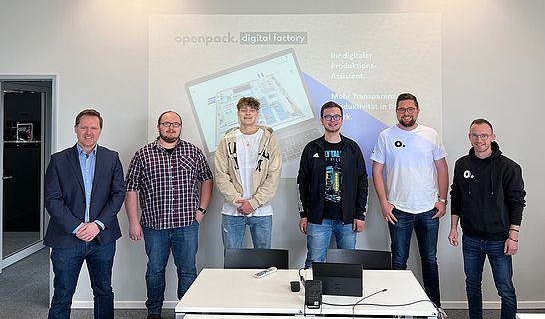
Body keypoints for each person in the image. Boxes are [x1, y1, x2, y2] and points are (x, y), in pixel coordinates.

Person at [125, 111, 213, 319]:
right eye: (166, 124)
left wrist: (201, 211)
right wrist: (133, 222)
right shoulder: (143, 155)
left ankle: (187, 312)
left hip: (187, 224)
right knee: (155, 270)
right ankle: (154, 312)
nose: (171, 127)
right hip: (154, 225)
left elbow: (207, 179)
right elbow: (131, 188)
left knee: (187, 271)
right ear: (158, 127)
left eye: (175, 124)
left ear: (180, 127)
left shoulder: (193, 152)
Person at [44, 109, 126, 319]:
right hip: (66, 238)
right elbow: (52, 199)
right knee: (62, 294)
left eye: (93, 128)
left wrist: (97, 224)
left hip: (102, 238)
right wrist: (77, 227)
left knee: (104, 291)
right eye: (84, 127)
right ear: (75, 129)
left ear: (100, 130)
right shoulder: (58, 160)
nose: (88, 132)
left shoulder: (112, 158)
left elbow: (118, 194)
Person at [371, 93, 448, 309]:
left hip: (428, 209)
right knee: (398, 261)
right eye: (402, 109)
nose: (406, 113)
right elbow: (377, 171)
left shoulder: (431, 134)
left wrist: (442, 200)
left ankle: (434, 308)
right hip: (398, 210)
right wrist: (384, 203)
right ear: (396, 112)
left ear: (417, 110)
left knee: (430, 260)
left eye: (410, 109)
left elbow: (442, 168)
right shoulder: (386, 136)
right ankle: (399, 308)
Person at [449, 119, 526, 319]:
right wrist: (453, 228)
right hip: (471, 238)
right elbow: (456, 197)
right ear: (469, 137)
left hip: (499, 240)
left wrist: (513, 237)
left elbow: (517, 203)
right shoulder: (461, 164)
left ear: (492, 137)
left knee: (505, 289)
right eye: (475, 135)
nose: (479, 140)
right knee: (472, 285)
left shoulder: (509, 167)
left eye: (484, 135)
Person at [297, 101, 368, 268]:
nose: (332, 120)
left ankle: (343, 288)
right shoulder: (312, 148)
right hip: (317, 219)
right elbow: (302, 183)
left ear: (342, 119)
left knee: (347, 264)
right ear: (322, 120)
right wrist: (303, 214)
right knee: (314, 262)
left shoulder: (352, 148)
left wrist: (360, 215)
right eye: (328, 117)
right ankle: (312, 287)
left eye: (336, 116)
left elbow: (363, 182)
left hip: (347, 219)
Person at [214, 96, 282, 250]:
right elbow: (221, 175)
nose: (248, 113)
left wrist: (254, 203)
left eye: (252, 110)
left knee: (264, 259)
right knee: (232, 258)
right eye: (244, 110)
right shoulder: (226, 140)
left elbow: (273, 175)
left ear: (258, 113)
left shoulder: (270, 140)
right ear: (238, 113)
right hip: (232, 211)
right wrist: (237, 201)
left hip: (262, 211)